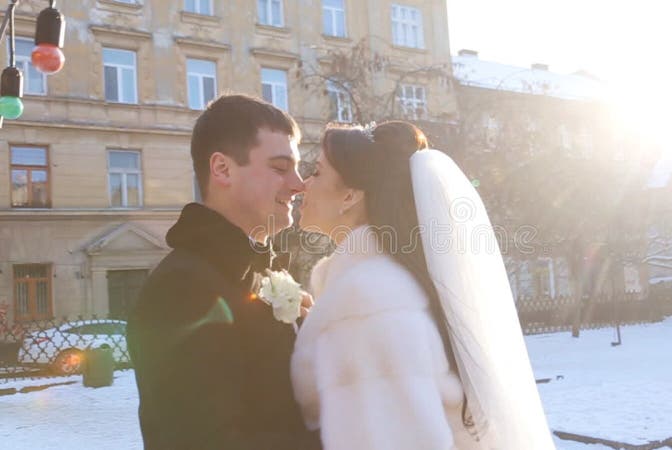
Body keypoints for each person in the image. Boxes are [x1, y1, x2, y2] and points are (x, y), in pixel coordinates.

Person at [291, 121, 555, 449]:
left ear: (349, 195)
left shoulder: (368, 297)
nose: (303, 185)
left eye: (316, 172)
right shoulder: (376, 287)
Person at [127, 94, 318, 450]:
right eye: (280, 168)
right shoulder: (184, 286)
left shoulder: (252, 271)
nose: (299, 184)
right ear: (222, 169)